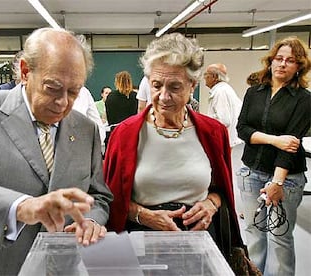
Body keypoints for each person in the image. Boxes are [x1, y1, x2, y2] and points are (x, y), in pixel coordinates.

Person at [0, 28, 113, 275]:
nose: (63, 102)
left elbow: (99, 196)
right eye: (52, 87)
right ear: (25, 71)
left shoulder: (86, 130)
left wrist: (92, 220)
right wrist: (22, 207)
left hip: (59, 267)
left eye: (74, 92)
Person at [104, 33, 243, 261]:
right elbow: (112, 200)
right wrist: (144, 215)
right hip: (142, 241)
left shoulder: (212, 132)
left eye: (175, 87)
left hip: (199, 240)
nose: (163, 96)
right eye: (156, 85)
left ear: (192, 86)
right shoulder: (126, 134)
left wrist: (210, 204)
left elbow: (222, 190)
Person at [236, 36, 310, 276]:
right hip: (251, 172)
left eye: (290, 60)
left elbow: (291, 146)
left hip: (286, 178)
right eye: (278, 58)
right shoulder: (254, 93)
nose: (282, 64)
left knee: (279, 237)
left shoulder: (304, 100)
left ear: (299, 66)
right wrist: (274, 139)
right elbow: (242, 129)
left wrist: (277, 182)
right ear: (270, 61)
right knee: (254, 233)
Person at [204, 63, 243, 148]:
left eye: (206, 74)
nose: (204, 77)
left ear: (214, 77)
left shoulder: (220, 92)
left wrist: (204, 121)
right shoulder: (224, 89)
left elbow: (224, 120)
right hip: (225, 140)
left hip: (221, 141)